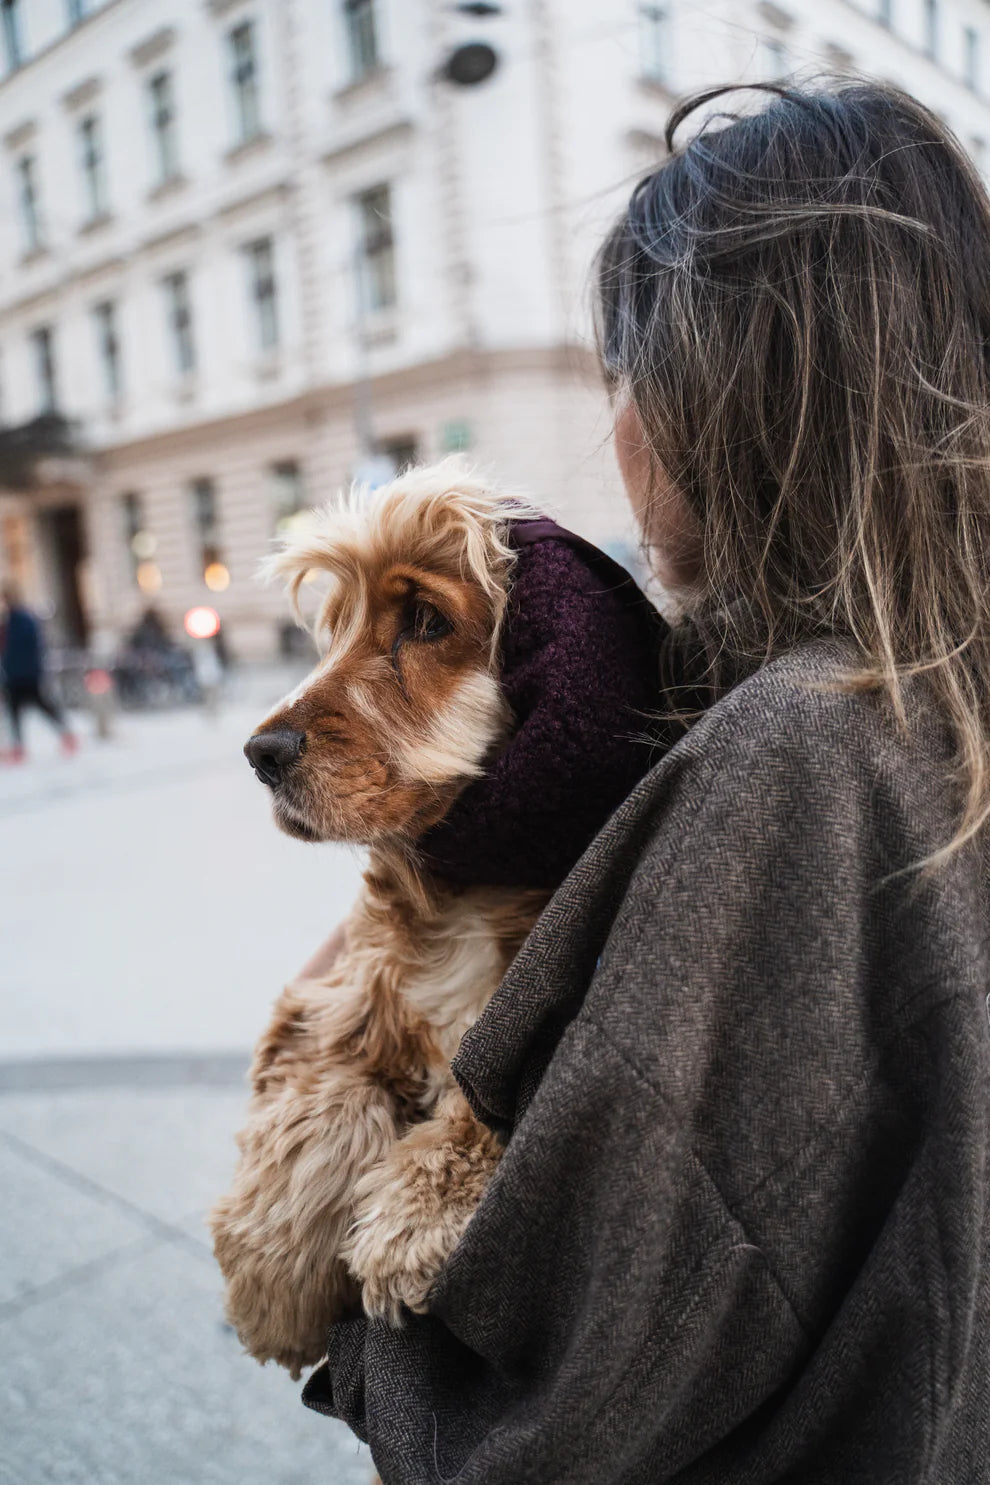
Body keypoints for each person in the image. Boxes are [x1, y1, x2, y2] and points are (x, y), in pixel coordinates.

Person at [298, 83, 990, 1480]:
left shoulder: (803, 755)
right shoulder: (937, 707)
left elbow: (542, 1414)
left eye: (621, 373)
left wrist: (349, 1310)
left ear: (715, 395)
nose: (613, 423)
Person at [0, 583, 78, 762]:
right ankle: (18, 746)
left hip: (27, 674)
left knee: (42, 706)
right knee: (14, 712)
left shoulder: (23, 620)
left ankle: (66, 734)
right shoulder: (10, 622)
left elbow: (26, 647)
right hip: (14, 674)